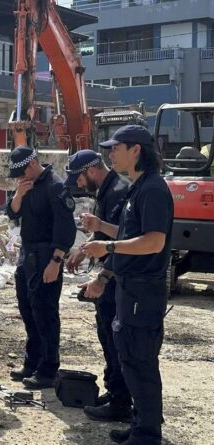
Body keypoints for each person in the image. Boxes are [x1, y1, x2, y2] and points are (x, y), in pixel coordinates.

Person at [81, 125, 172, 445]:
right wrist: (101, 227)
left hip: (143, 291)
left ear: (136, 150)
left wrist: (107, 248)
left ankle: (148, 434)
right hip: (130, 288)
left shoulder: (153, 190)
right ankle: (140, 426)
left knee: (141, 361)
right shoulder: (137, 187)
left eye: (116, 148)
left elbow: (153, 242)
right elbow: (128, 231)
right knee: (131, 360)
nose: (110, 154)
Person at [65, 150, 133, 422]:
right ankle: (116, 392)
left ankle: (120, 403)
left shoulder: (117, 191)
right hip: (110, 277)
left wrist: (103, 277)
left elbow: (125, 243)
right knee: (107, 338)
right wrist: (83, 251)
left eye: (80, 179)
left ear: (91, 171)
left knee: (116, 342)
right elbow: (104, 233)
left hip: (116, 280)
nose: (79, 185)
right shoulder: (106, 191)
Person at [5, 146, 76, 389]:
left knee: (45, 313)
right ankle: (32, 361)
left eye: (21, 172)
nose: (19, 178)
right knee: (28, 310)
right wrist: (18, 195)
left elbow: (65, 228)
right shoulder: (26, 186)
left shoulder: (55, 186)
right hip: (28, 255)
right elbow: (12, 214)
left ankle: (48, 368)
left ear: (33, 163)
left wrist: (56, 261)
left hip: (47, 255)